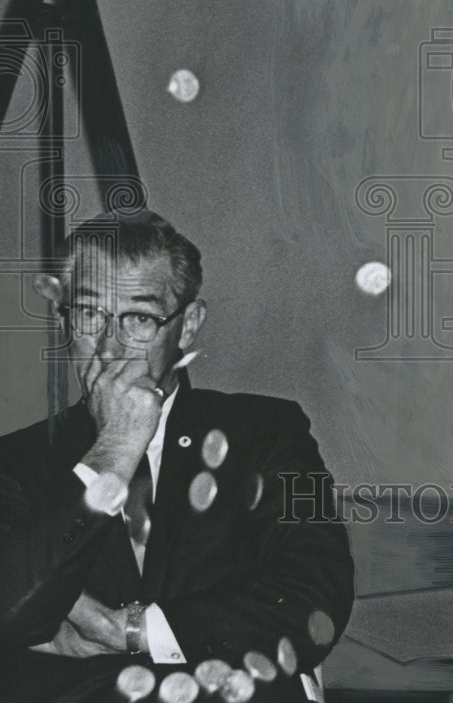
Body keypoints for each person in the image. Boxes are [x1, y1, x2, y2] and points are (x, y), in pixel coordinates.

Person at [0, 210, 354, 703]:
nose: (109, 347)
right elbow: (8, 611)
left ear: (187, 326)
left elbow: (318, 602)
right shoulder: (14, 461)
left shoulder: (273, 430)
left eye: (140, 318)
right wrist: (114, 452)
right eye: (88, 314)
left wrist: (130, 631)